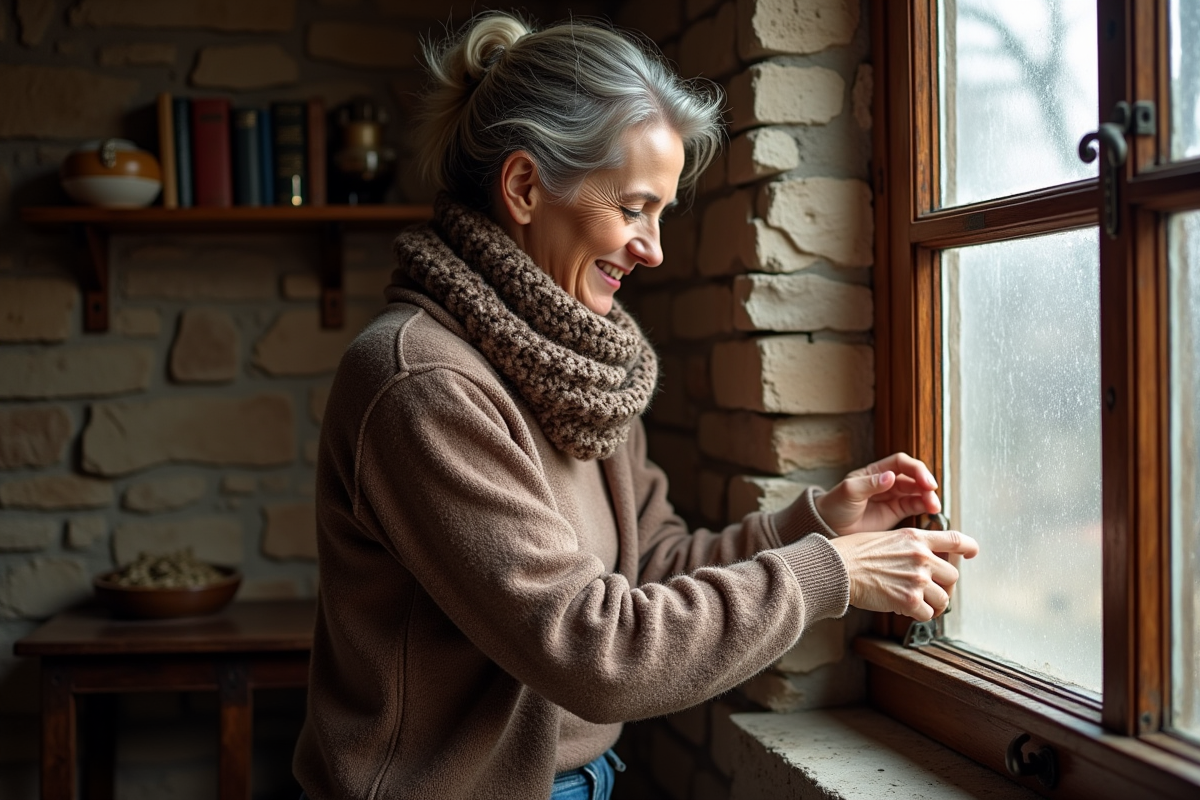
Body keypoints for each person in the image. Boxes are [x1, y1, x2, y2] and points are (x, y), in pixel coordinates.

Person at [292, 12, 978, 800]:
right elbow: (597, 653)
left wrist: (814, 524)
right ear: (523, 187)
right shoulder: (422, 382)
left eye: (661, 212)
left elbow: (648, 569)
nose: (653, 248)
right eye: (632, 208)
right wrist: (829, 574)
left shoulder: (582, 363)